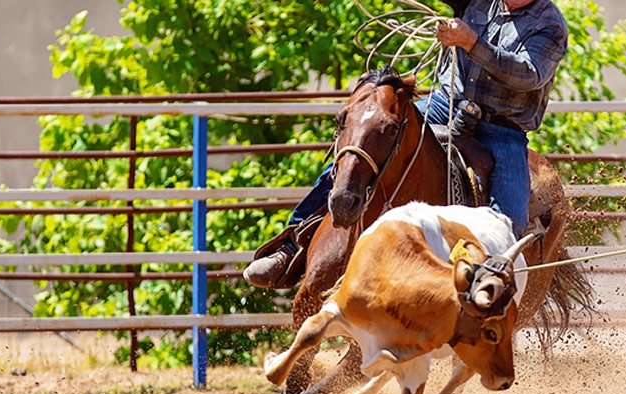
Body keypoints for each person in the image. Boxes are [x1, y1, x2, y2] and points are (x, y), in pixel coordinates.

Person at [243, 0, 568, 289]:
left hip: (500, 129)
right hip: (444, 103)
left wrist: (471, 42)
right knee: (361, 146)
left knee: (507, 220)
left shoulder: (549, 23)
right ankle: (292, 246)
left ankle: (488, 287)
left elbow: (529, 74)